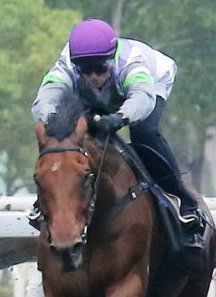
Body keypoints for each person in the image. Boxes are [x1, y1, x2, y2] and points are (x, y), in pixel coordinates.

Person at [31, 18, 202, 227]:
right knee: (70, 135)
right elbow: (46, 98)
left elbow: (142, 98)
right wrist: (52, 121)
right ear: (76, 66)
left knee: (143, 133)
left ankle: (182, 196)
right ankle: (51, 200)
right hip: (106, 95)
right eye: (86, 70)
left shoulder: (130, 63)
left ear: (111, 59)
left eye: (100, 69)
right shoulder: (66, 64)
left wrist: (120, 118)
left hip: (150, 85)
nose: (93, 76)